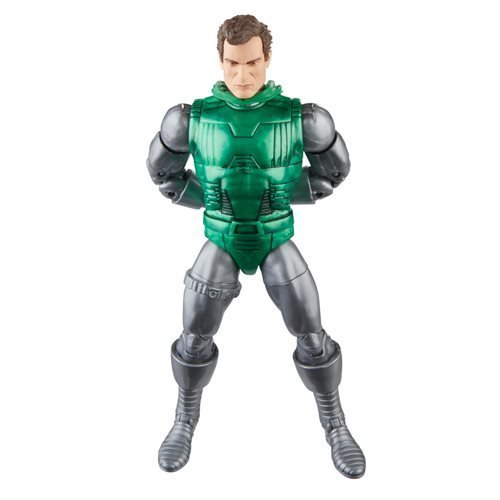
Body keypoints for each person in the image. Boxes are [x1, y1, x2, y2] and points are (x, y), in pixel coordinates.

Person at [146, 14, 365, 478]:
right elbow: (164, 175)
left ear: (267, 59)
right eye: (232, 63)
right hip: (221, 237)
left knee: (312, 335)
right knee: (194, 336)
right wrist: (211, 200)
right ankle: (184, 418)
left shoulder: (304, 119)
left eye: (251, 63)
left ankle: (336, 424)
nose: (242, 75)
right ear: (220, 61)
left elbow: (333, 174)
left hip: (275, 236)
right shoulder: (189, 119)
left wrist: (282, 194)